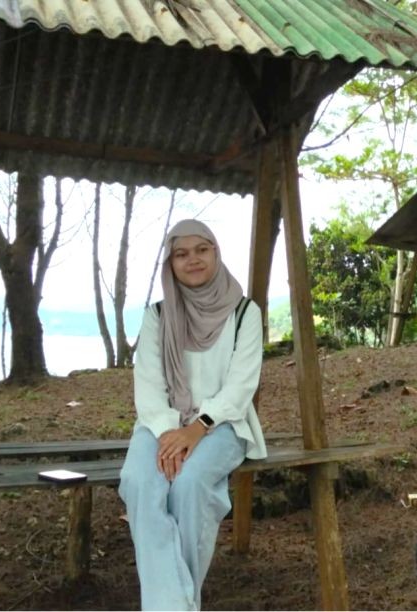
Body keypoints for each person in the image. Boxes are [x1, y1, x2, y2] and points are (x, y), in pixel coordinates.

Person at [118, 219, 266, 611]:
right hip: (160, 421)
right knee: (139, 482)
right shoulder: (157, 315)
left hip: (224, 424)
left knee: (189, 485)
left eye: (201, 249)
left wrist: (197, 429)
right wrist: (170, 431)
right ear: (171, 263)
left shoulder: (244, 312)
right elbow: (148, 382)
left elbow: (241, 385)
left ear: (216, 252)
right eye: (181, 253)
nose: (192, 260)